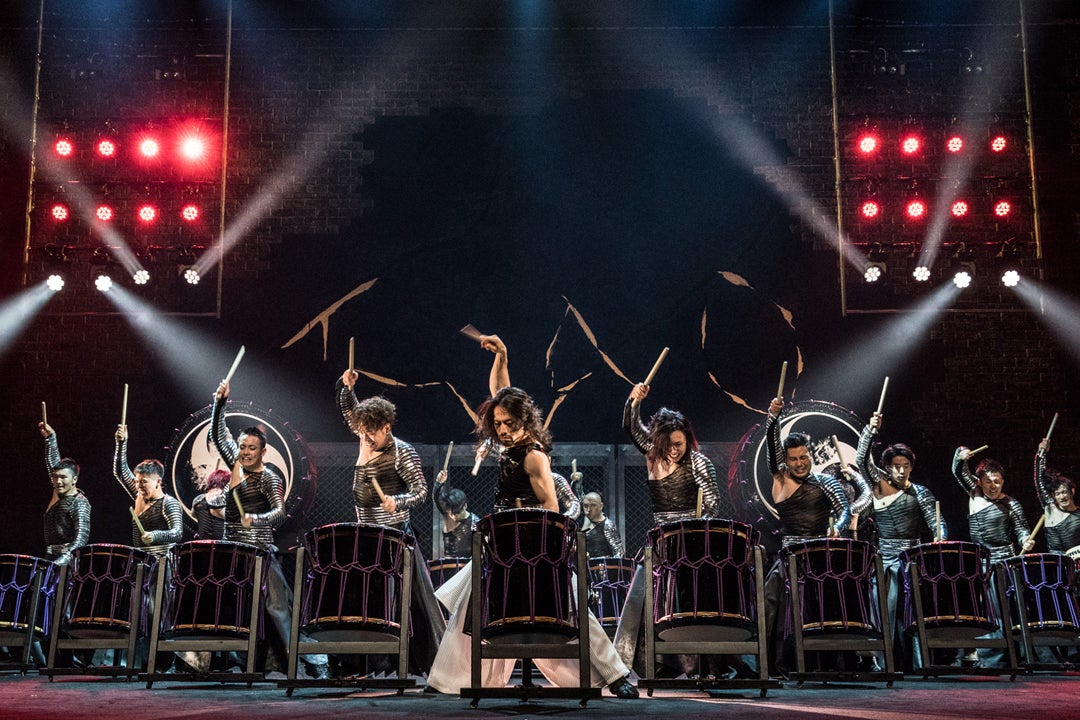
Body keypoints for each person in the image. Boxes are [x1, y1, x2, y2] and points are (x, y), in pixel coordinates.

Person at [425, 334, 637, 699]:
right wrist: (502, 355)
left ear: (524, 420)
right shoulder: (511, 440)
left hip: (534, 546)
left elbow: (551, 508)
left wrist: (542, 553)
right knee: (471, 609)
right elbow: (500, 391)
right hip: (503, 543)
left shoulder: (534, 456)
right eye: (498, 424)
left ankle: (615, 676)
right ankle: (446, 681)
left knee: (569, 607)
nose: (502, 430)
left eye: (508, 423)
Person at [613, 381, 733, 677]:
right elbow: (630, 426)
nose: (675, 449)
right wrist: (635, 400)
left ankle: (706, 664)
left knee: (696, 603)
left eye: (679, 443)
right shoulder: (653, 455)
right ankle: (660, 664)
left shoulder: (699, 463)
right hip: (662, 544)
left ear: (687, 439)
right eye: (669, 444)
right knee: (650, 602)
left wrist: (695, 528)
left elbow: (713, 505)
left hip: (694, 546)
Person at [211, 378, 327, 680]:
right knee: (227, 607)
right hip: (232, 550)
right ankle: (227, 662)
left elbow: (279, 512)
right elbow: (217, 433)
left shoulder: (269, 477)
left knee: (278, 610)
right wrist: (220, 403)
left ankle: (310, 662)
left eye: (252, 448)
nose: (245, 452)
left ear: (263, 452)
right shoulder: (235, 465)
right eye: (242, 447)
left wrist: (255, 518)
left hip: (260, 552)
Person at [336, 375, 446, 673]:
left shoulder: (402, 451)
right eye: (363, 431)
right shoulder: (365, 435)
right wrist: (346, 387)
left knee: (404, 603)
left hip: (394, 536)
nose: (366, 438)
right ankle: (363, 663)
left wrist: (397, 501)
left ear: (387, 427)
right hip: (366, 534)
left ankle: (413, 662)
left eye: (372, 432)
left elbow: (420, 491)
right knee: (365, 602)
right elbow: (349, 410)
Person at [763, 397, 857, 676]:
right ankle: (781, 665)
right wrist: (773, 419)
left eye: (803, 457)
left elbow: (844, 510)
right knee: (778, 609)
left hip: (821, 558)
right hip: (789, 558)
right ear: (786, 461)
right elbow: (772, 450)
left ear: (811, 455)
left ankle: (832, 664)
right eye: (793, 459)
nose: (799, 463)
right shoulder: (780, 478)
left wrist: (838, 527)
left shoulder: (825, 482)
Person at [856, 411, 945, 671]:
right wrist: (870, 430)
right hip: (885, 561)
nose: (901, 470)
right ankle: (881, 662)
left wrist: (941, 535)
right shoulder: (879, 486)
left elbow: (937, 521)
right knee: (883, 610)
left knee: (915, 612)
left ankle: (918, 663)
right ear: (887, 467)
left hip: (913, 561)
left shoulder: (920, 493)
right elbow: (861, 460)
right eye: (896, 466)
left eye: (906, 465)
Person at [952, 444, 1031, 668]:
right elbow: (958, 471)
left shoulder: (1011, 504)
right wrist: (961, 455)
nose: (993, 485)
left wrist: (1026, 539)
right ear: (979, 482)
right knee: (983, 610)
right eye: (988, 481)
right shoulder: (974, 492)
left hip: (1004, 562)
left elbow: (1022, 529)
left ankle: (1009, 658)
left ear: (1003, 482)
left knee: (1006, 609)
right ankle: (985, 657)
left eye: (997, 481)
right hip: (979, 563)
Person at [113, 425, 185, 557]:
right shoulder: (139, 496)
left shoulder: (169, 503)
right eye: (137, 481)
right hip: (141, 560)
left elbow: (177, 532)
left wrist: (154, 535)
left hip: (163, 562)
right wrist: (121, 443)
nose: (138, 486)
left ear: (158, 482)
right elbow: (120, 472)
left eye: (143, 482)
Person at [39, 422, 91, 566]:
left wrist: (60, 563)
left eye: (63, 477)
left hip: (68, 563)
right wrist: (50, 437)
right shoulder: (57, 492)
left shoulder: (79, 502)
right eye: (55, 477)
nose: (58, 481)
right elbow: (53, 465)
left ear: (74, 479)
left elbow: (81, 540)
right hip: (50, 557)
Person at [1029, 436, 1080, 554]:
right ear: (1053, 496)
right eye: (1058, 494)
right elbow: (1039, 480)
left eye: (1064, 492)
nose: (1062, 497)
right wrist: (1041, 454)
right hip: (1055, 563)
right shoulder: (1051, 509)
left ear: (1072, 491)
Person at [432, 474, 479, 558]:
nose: (453, 517)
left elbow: (478, 554)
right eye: (451, 513)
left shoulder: (475, 523)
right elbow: (436, 498)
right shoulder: (447, 513)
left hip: (467, 565)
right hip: (448, 564)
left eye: (457, 513)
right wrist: (439, 482)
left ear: (465, 506)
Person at [581, 492, 624, 558]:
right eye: (586, 506)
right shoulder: (583, 523)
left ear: (601, 506)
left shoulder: (607, 525)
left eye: (593, 505)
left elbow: (619, 553)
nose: (588, 510)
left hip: (602, 564)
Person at [192, 468, 228, 540]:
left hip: (203, 544)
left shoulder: (198, 499)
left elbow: (193, 514)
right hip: (222, 545)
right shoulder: (222, 499)